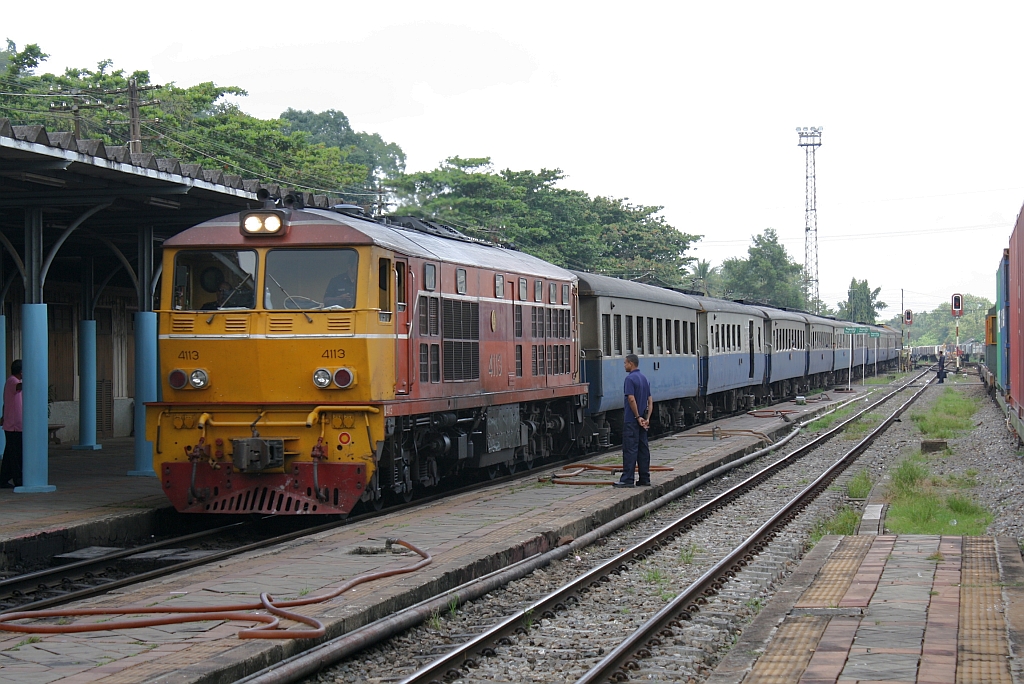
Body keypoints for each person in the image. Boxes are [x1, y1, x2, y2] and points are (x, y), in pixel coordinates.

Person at [614, 354, 653, 488]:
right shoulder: (644, 378)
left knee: (630, 449)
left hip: (632, 420)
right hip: (643, 420)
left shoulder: (630, 379)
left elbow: (631, 399)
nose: (624, 365)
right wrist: (647, 418)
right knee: (643, 449)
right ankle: (645, 478)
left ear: (631, 363)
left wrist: (637, 417)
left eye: (625, 363)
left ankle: (627, 479)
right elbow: (650, 400)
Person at [0, 360, 24, 488]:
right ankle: (18, 479)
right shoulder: (13, 381)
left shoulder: (14, 381)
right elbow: (19, 387)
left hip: (15, 424)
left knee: (10, 454)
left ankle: (3, 478)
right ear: (21, 371)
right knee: (16, 455)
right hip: (14, 426)